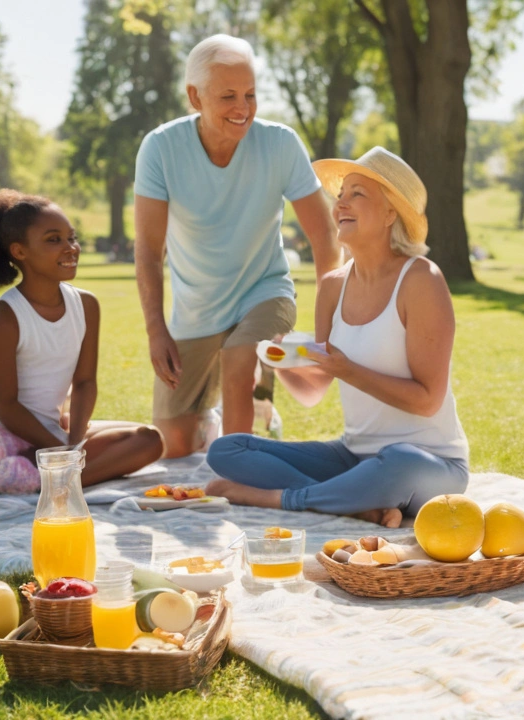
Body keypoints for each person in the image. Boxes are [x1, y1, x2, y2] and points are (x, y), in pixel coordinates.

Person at [203, 147, 469, 528]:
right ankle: (356, 503)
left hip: (429, 463)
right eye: (340, 194)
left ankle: (283, 499)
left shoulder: (421, 280)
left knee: (398, 462)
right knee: (228, 449)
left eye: (357, 193)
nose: (341, 203)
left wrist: (349, 370)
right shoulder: (332, 286)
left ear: (391, 212)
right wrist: (279, 362)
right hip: (353, 456)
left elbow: (427, 401)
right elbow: (315, 389)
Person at [134, 34, 339, 458]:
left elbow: (324, 235)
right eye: (228, 96)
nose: (243, 108)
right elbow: (149, 251)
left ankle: (237, 474)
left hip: (264, 291)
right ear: (195, 97)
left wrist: (330, 323)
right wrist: (157, 330)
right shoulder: (160, 149)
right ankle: (214, 425)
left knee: (239, 357)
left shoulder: (280, 143)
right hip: (195, 310)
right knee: (174, 446)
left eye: (249, 94)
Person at [0, 190, 163, 497]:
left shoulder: (87, 305)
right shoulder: (6, 315)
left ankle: (48, 478)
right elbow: (4, 404)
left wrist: (73, 441)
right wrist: (59, 447)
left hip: (47, 431)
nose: (70, 248)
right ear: (20, 251)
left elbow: (85, 381)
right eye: (53, 240)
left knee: (148, 440)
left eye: (71, 238)